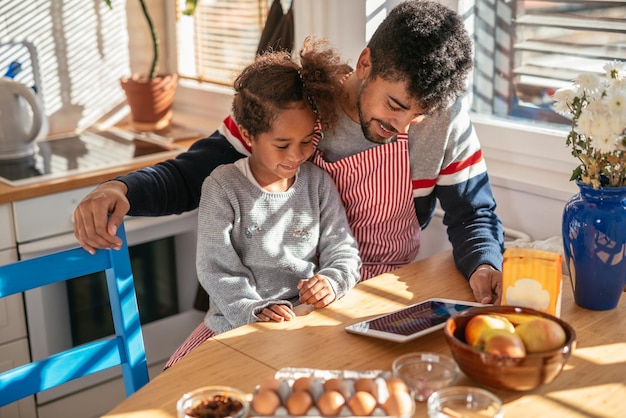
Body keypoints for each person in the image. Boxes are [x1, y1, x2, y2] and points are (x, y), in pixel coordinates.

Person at [74, 0, 504, 306]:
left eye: (419, 115)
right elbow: (192, 175)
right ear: (366, 62)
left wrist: (484, 264)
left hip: (378, 299)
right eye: (394, 105)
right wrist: (124, 188)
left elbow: (473, 215)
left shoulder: (445, 119)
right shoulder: (297, 104)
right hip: (288, 300)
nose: (401, 129)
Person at [164, 44, 361, 368]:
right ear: (248, 135)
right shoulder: (223, 186)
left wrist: (332, 281)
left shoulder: (317, 183)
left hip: (304, 323)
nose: (296, 155)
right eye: (282, 144)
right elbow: (216, 269)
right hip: (237, 326)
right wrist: (253, 311)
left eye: (307, 141)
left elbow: (343, 250)